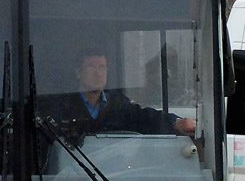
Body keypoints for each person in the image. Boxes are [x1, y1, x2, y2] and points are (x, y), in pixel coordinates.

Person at [49, 49, 196, 137]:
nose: (98, 73)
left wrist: (175, 123)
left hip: (115, 178)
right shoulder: (62, 107)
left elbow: (144, 117)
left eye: (102, 67)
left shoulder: (117, 104)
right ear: (79, 73)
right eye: (91, 67)